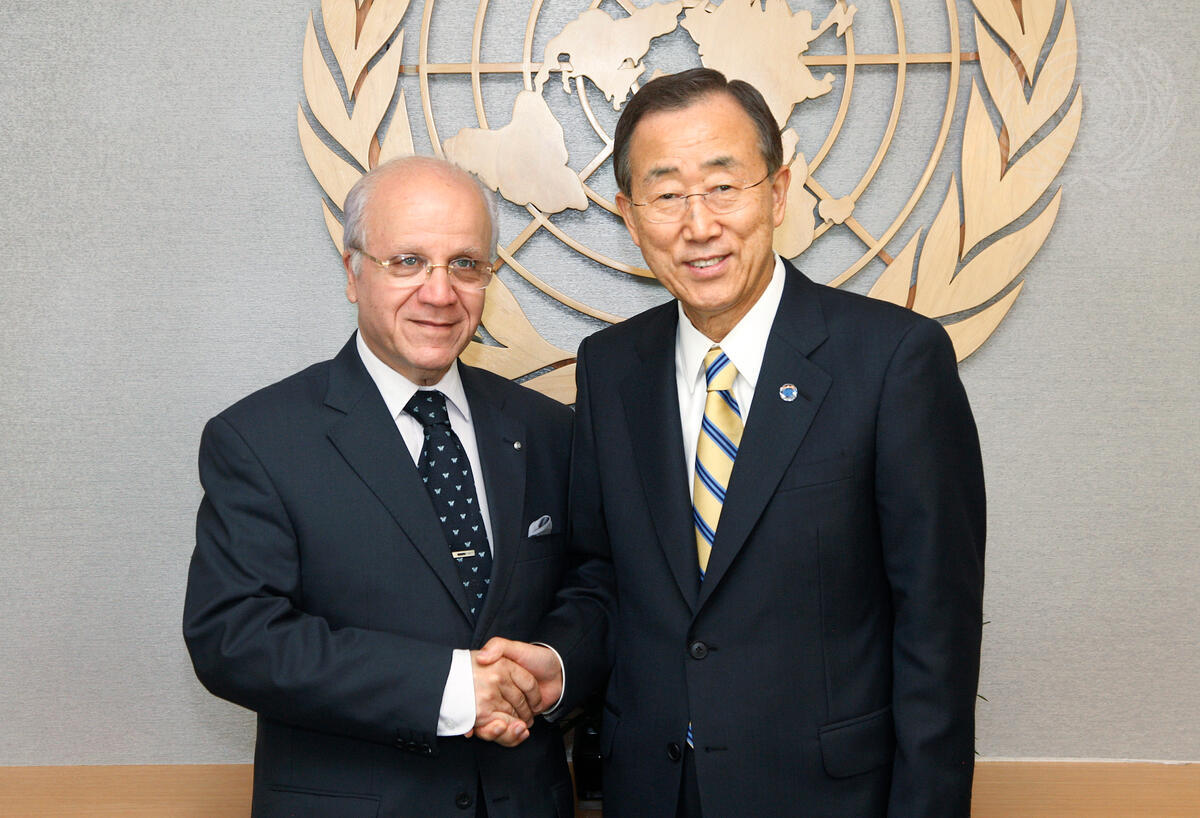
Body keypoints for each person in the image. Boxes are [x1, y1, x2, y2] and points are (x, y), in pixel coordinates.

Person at [479, 68, 987, 816]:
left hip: (829, 797)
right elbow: (603, 576)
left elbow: (936, 629)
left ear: (777, 193)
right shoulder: (612, 367)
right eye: (666, 195)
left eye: (723, 186)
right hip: (653, 790)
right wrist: (557, 662)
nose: (699, 224)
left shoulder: (892, 361)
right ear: (629, 216)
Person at [183, 156, 575, 817]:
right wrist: (451, 688)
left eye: (465, 264)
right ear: (352, 273)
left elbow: (595, 587)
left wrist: (553, 666)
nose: (440, 293)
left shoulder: (546, 429)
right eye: (408, 262)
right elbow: (236, 637)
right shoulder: (260, 439)